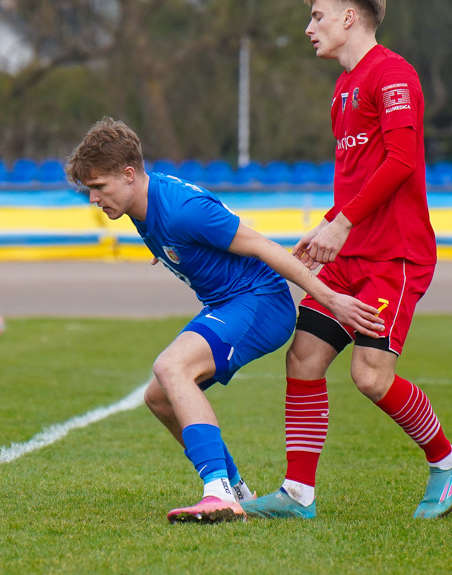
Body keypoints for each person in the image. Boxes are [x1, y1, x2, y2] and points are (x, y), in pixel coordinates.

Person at [66, 117, 384, 524]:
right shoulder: (143, 203)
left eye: (99, 187)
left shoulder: (182, 211)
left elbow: (265, 247)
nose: (94, 198)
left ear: (129, 175)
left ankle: (216, 490)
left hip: (259, 303)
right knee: (159, 396)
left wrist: (330, 299)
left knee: (171, 365)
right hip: (228, 303)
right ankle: (236, 490)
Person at [242, 0, 452, 520]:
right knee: (302, 356)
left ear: (349, 16)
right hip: (351, 254)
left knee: (370, 377)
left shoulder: (393, 74)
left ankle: (448, 461)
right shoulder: (343, 88)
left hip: (395, 256)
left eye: (317, 15)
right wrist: (327, 225)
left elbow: (401, 161)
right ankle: (298, 494)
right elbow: (356, 179)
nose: (308, 28)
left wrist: (341, 224)